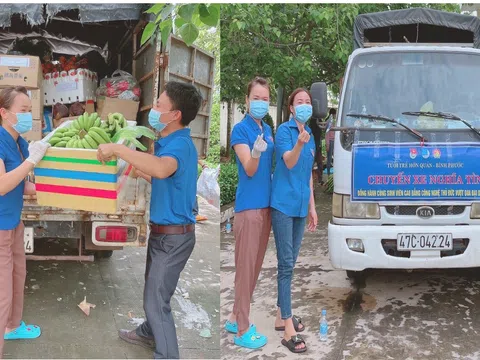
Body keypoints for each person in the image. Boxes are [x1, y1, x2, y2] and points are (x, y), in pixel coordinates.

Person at [97, 81, 202, 359]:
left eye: (158, 105)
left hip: (174, 237)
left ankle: (167, 354)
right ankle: (148, 331)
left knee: (157, 299)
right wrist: (133, 169)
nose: (153, 109)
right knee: (153, 290)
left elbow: (161, 167)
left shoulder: (178, 146)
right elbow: (161, 175)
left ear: (175, 115)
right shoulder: (171, 142)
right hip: (165, 234)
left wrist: (119, 150)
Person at [0, 86, 50, 358]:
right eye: (23, 110)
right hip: (0, 227)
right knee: (2, 294)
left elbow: (24, 186)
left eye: (30, 110)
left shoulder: (18, 141)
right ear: (4, 113)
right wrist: (31, 161)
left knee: (19, 276)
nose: (28, 116)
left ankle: (12, 325)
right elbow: (3, 185)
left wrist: (63, 187)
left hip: (13, 223)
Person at [224, 77, 274, 349]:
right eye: (256, 97)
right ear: (246, 100)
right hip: (249, 209)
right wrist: (254, 152)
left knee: (253, 268)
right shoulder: (240, 130)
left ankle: (234, 316)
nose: (260, 102)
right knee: (245, 269)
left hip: (265, 207)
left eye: (265, 98)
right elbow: (250, 168)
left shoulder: (266, 128)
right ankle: (243, 330)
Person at [270, 88, 318, 354]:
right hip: (283, 206)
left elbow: (308, 174)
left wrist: (312, 207)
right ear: (291, 108)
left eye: (308, 102)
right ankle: (287, 326)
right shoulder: (285, 132)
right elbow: (288, 163)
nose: (304, 106)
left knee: (291, 262)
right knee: (286, 264)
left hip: (300, 206)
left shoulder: (310, 136)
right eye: (299, 102)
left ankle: (280, 315)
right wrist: (299, 143)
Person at [309, 113, 324, 185]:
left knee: (320, 163)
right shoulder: (312, 120)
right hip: (313, 145)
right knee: (312, 163)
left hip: (318, 144)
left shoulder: (319, 120)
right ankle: (310, 180)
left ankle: (320, 179)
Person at [325, 108, 336, 175]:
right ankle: (328, 173)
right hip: (330, 141)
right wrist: (327, 144)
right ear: (333, 114)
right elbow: (327, 133)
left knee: (332, 157)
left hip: (333, 141)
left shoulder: (332, 121)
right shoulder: (329, 121)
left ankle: (330, 172)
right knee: (329, 158)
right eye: (335, 114)